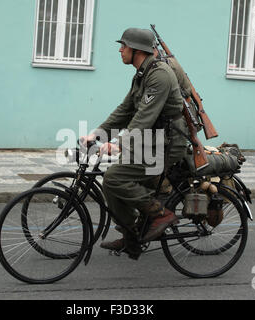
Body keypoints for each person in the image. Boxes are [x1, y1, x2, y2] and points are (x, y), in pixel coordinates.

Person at [81, 28, 190, 259]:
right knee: (111, 182)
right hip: (151, 140)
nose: (120, 49)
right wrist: (98, 135)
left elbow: (145, 116)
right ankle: (133, 236)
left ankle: (160, 214)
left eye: (124, 46)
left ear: (137, 50)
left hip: (168, 144)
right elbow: (125, 110)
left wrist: (119, 143)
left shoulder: (159, 75)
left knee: (115, 177)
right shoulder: (142, 74)